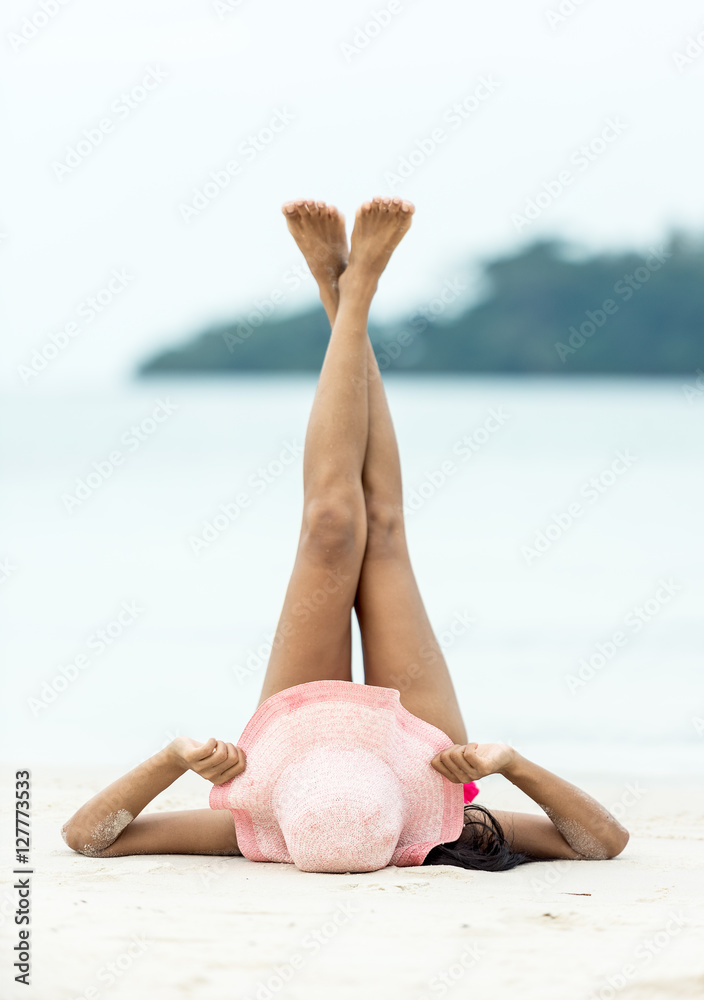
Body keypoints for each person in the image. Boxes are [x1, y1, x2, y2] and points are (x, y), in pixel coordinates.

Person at [62, 198, 629, 872]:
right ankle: (354, 295)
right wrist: (509, 764)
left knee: (329, 527)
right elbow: (602, 842)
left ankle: (343, 299)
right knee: (380, 528)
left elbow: (89, 837)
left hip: (295, 743)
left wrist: (171, 758)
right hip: (424, 753)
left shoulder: (261, 822)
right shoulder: (442, 824)